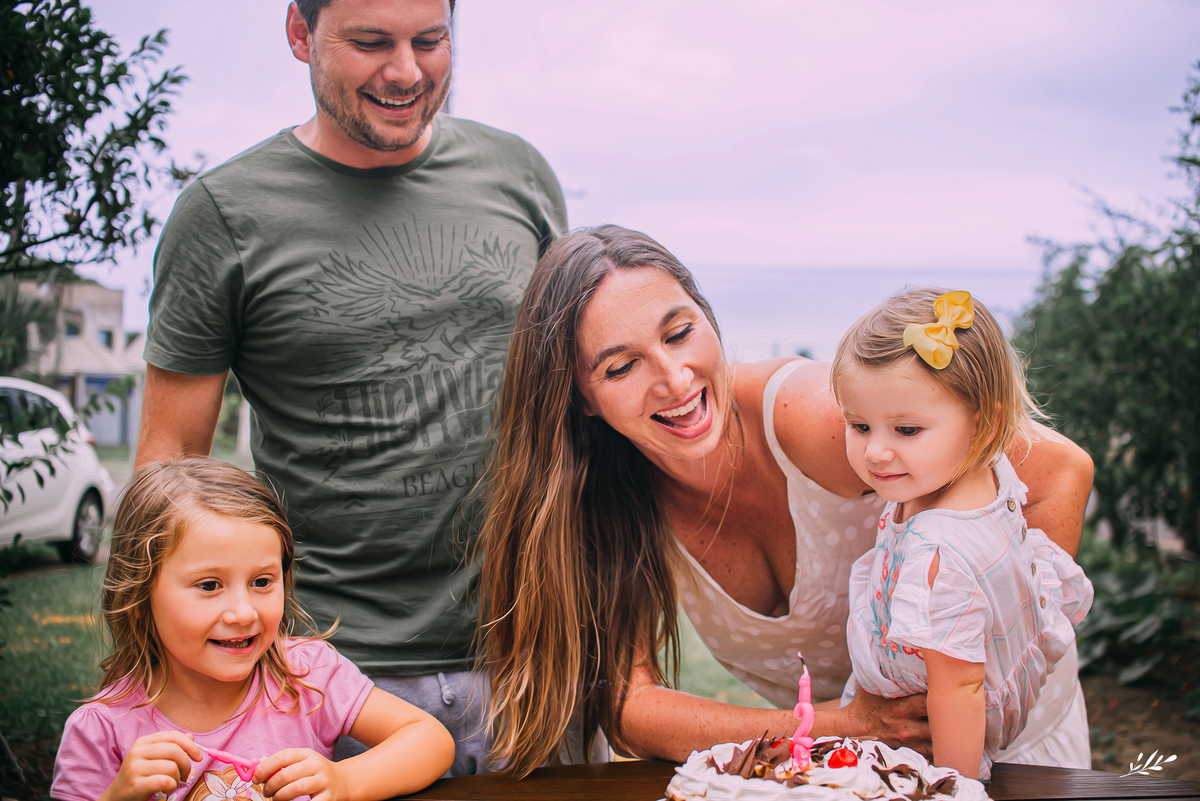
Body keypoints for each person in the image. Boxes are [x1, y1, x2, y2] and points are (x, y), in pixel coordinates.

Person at [477, 226, 1095, 777]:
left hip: (1014, 751)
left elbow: (1062, 469)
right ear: (580, 397)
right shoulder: (603, 500)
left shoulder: (821, 420)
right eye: (620, 368)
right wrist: (847, 726)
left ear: (708, 318)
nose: (674, 377)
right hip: (852, 769)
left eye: (680, 333)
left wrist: (1000, 662)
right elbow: (630, 707)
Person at [134, 0, 566, 773]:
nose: (406, 71)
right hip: (328, 675)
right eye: (370, 42)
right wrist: (158, 680)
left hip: (533, 656)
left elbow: (570, 388)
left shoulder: (520, 173)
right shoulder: (222, 215)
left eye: (430, 41)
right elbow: (168, 466)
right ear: (300, 35)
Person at [51, 459, 454, 801]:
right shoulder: (101, 730)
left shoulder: (306, 674)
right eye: (209, 586)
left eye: (262, 582)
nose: (243, 612)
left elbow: (429, 739)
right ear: (139, 596)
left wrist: (347, 781)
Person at [828, 289, 1094, 779]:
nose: (876, 453)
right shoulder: (976, 470)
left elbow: (959, 689)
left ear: (985, 425)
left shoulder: (940, 557)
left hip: (927, 749)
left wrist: (952, 786)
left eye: (906, 430)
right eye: (860, 425)